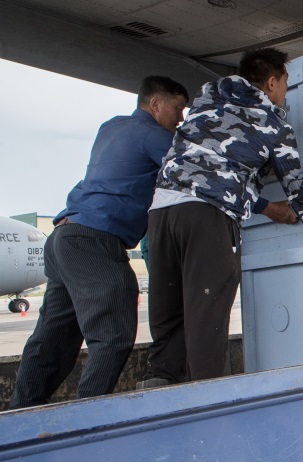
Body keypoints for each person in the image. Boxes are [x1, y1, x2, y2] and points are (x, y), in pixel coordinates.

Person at [139, 48, 303, 389]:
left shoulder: (207, 98)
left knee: (168, 320)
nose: (283, 93)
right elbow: (298, 187)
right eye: (284, 84)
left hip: (161, 211)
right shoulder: (272, 121)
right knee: (207, 320)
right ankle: (214, 416)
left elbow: (214, 164)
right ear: (271, 82)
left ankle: (156, 396)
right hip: (205, 217)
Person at [10, 76, 189, 408]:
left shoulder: (112, 127)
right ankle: (88, 417)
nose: (180, 119)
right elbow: (197, 170)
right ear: (155, 104)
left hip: (64, 237)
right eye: (178, 109)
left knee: (54, 340)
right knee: (115, 331)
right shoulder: (153, 135)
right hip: (94, 239)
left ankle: (20, 415)